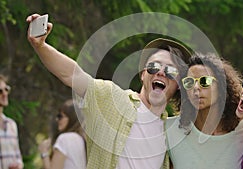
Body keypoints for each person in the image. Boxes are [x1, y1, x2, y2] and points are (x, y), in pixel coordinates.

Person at [26, 14, 191, 169]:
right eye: (154, 66)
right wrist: (41, 46)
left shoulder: (172, 131)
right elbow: (72, 74)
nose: (161, 72)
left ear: (178, 84)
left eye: (170, 71)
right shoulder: (112, 99)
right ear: (142, 75)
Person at [166, 53, 243, 169]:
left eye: (204, 81)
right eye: (189, 82)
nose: (196, 87)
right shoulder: (169, 129)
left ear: (221, 86)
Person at [38, 99, 86, 169]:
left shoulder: (64, 138)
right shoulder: (82, 139)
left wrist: (44, 152)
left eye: (60, 116)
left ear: (71, 118)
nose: (57, 119)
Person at [0, 74, 23, 169]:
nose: (5, 94)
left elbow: (18, 157)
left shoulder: (11, 124)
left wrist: (18, 165)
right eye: (0, 91)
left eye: (6, 89)